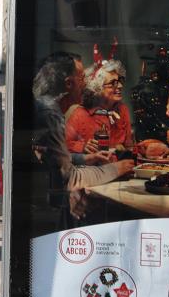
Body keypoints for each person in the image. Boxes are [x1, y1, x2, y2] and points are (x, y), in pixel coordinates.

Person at [32, 52, 135, 228]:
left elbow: (55, 157)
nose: (86, 83)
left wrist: (85, 158)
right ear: (68, 84)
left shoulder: (46, 108)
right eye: (81, 78)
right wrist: (115, 168)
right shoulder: (52, 116)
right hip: (45, 208)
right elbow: (69, 177)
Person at [65, 59, 133, 153]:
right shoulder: (80, 114)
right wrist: (82, 147)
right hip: (92, 166)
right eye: (113, 83)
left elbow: (130, 146)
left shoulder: (122, 109)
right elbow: (63, 144)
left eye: (120, 80)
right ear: (97, 87)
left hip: (118, 165)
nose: (120, 86)